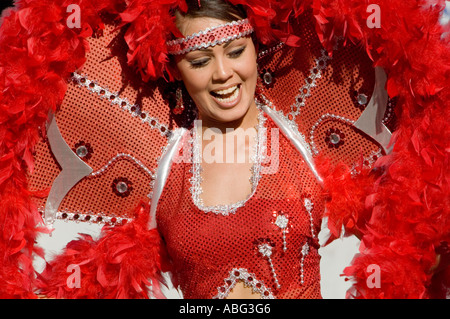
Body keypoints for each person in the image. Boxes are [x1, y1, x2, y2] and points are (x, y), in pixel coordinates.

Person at [0, 0, 448, 299]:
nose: (222, 74)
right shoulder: (157, 164)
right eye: (199, 61)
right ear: (176, 69)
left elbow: (419, 222)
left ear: (256, 50)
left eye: (235, 51)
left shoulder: (309, 140)